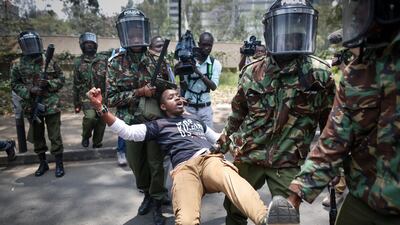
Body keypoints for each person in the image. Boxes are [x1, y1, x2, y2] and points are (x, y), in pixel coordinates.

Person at [87, 87, 300, 225]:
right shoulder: (159, 125)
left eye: (179, 96)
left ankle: (266, 219)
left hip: (209, 160)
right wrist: (100, 108)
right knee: (186, 219)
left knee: (231, 178)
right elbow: (127, 131)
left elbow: (219, 139)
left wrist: (245, 137)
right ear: (163, 106)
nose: (178, 99)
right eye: (171, 98)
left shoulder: (197, 121)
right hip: (184, 170)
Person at [214, 1, 334, 224]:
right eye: (284, 30)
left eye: (298, 29)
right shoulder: (252, 72)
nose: (291, 36)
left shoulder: (320, 75)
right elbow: (237, 115)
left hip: (287, 161)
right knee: (235, 210)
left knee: (286, 217)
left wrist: (335, 169)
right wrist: (219, 145)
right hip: (249, 154)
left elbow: (332, 129)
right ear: (271, 31)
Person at [283, 1, 400, 225]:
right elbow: (334, 139)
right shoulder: (357, 72)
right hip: (365, 199)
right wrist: (295, 196)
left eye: (363, 5)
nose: (356, 14)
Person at [107, 8, 171, 225]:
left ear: (144, 32)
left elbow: (169, 90)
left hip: (154, 123)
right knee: (137, 164)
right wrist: (138, 92)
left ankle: (156, 202)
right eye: (130, 33)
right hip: (131, 123)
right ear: (123, 34)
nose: (135, 37)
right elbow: (112, 98)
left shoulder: (158, 60)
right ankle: (146, 192)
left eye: (138, 32)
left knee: (156, 164)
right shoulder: (115, 63)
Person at [11, 31, 65, 177]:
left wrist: (48, 83)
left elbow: (61, 79)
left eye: (33, 43)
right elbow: (15, 84)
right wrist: (30, 90)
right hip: (32, 105)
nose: (31, 47)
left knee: (55, 136)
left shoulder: (50, 60)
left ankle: (59, 163)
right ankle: (43, 163)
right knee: (38, 137)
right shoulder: (17, 64)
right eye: (27, 44)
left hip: (51, 104)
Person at [180, 32, 222, 128]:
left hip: (205, 108)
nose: (207, 48)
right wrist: (181, 73)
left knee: (208, 139)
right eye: (204, 45)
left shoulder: (215, 64)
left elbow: (213, 86)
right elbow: (184, 87)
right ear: (199, 45)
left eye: (209, 45)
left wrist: (197, 71)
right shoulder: (189, 61)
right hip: (189, 108)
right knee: (190, 138)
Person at [73, 32, 108, 150]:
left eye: (91, 43)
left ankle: (97, 142)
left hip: (102, 96)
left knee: (101, 119)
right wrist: (76, 104)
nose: (89, 45)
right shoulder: (78, 62)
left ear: (95, 45)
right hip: (86, 97)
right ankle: (86, 136)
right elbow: (76, 84)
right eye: (86, 43)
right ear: (82, 45)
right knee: (90, 117)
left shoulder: (103, 60)